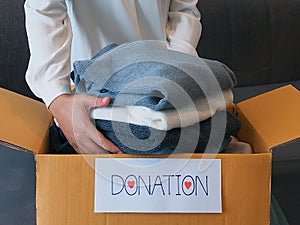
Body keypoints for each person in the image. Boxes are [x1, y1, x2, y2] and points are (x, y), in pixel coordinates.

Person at [24, 0, 202, 154]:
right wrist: (57, 98)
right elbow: (44, 9)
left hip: (165, 96)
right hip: (89, 111)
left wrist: (177, 73)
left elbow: (183, 10)